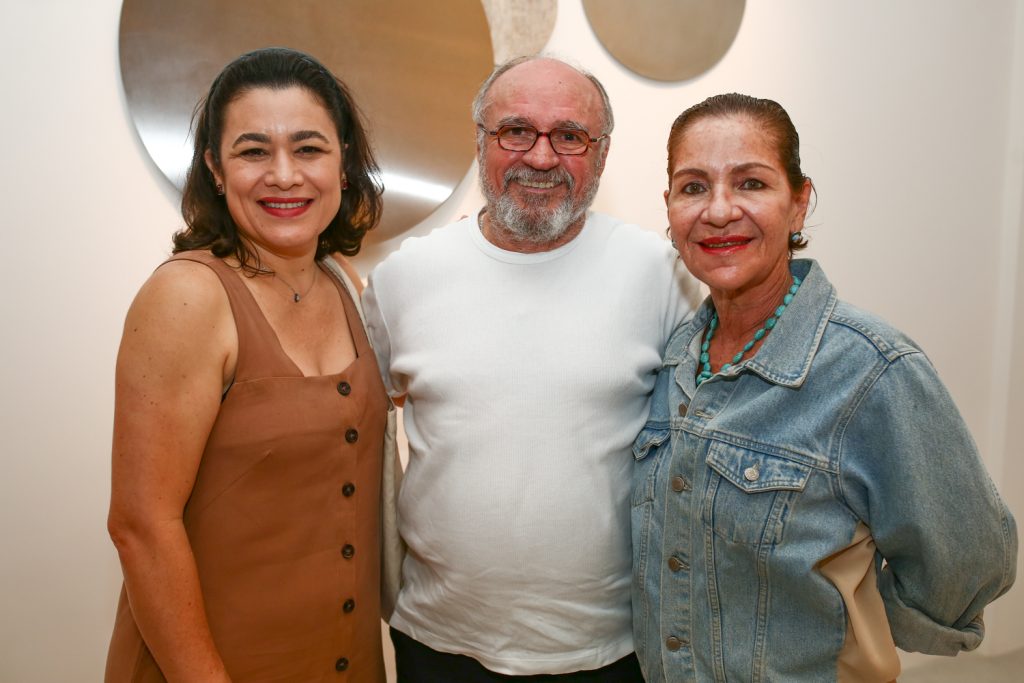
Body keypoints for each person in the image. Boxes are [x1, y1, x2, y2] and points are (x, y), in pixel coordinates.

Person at [632, 93, 1018, 682]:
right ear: (669, 208)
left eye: (751, 183)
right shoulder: (674, 355)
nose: (718, 210)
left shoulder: (872, 369)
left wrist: (852, 627)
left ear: (799, 203)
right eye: (692, 187)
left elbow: (968, 562)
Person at [361, 56, 699, 682]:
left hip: (614, 648)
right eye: (515, 130)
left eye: (570, 136)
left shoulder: (659, 273)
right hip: (440, 642)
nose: (541, 158)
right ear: (481, 140)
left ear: (601, 155)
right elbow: (355, 438)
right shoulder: (404, 279)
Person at [105, 47, 400, 682]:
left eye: (309, 148)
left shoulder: (344, 283)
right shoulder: (188, 297)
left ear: (344, 164)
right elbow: (140, 526)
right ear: (215, 168)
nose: (285, 175)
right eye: (253, 151)